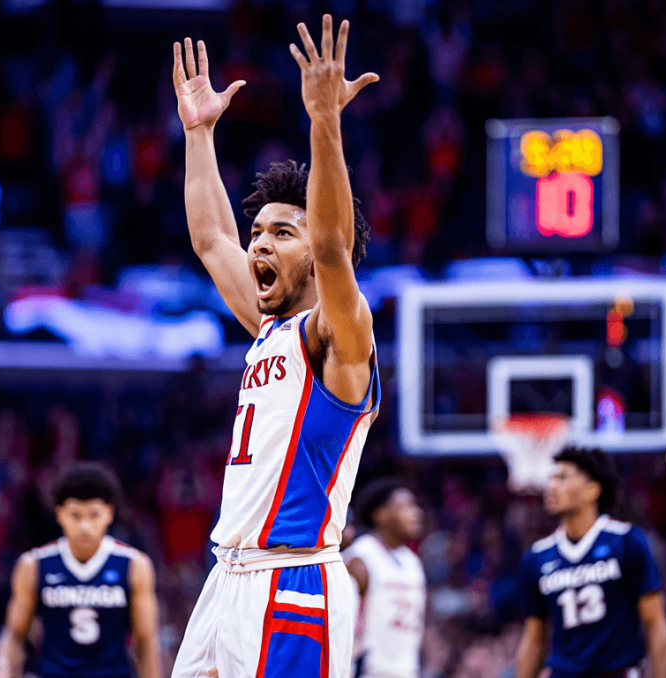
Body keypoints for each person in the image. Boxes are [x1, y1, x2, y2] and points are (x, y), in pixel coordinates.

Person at [169, 14, 381, 678]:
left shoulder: (340, 339)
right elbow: (209, 238)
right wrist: (199, 134)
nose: (258, 244)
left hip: (292, 583)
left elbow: (332, 244)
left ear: (314, 261)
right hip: (225, 579)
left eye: (280, 234)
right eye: (257, 231)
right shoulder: (269, 329)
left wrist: (325, 122)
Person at [515, 448, 666, 678]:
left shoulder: (627, 541)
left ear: (592, 490)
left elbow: (656, 624)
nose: (551, 486)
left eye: (562, 478)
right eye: (551, 478)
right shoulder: (535, 558)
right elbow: (533, 639)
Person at [0, 463, 159, 678]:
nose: (85, 526)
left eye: (94, 515)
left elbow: (145, 642)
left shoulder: (134, 565)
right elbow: (15, 636)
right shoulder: (34, 564)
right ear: (59, 514)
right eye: (75, 515)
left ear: (109, 513)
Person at [344, 479, 426, 678]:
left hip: (407, 669)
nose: (417, 512)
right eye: (405, 506)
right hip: (370, 669)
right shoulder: (359, 558)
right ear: (380, 514)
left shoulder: (412, 561)